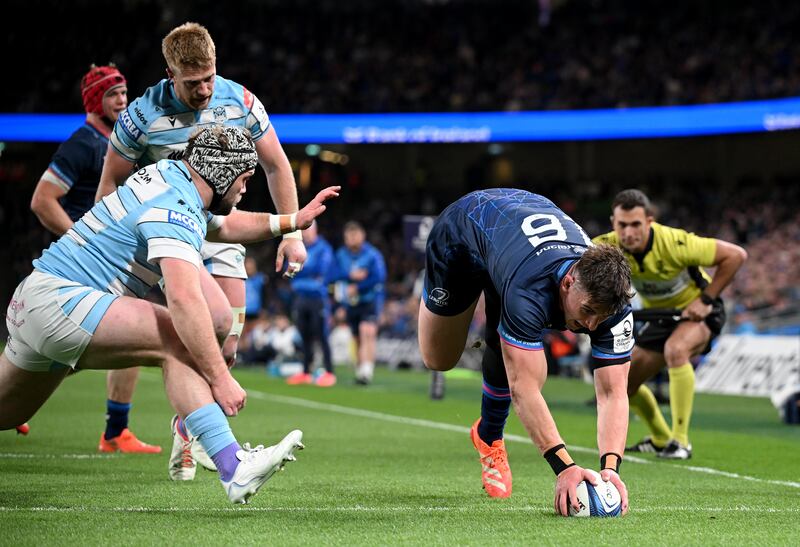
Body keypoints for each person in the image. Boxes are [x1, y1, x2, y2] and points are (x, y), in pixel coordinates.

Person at [1, 126, 339, 503]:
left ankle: (213, 444)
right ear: (223, 173)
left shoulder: (172, 175)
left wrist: (291, 220)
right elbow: (182, 301)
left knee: (6, 412)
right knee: (179, 338)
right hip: (63, 301)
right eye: (243, 179)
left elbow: (225, 225)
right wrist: (218, 377)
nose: (244, 189)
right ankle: (233, 465)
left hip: (37, 300)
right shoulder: (174, 208)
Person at [94, 22, 306, 478]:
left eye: (210, 77)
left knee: (227, 343)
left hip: (222, 225)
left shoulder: (241, 101)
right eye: (193, 83)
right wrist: (106, 243)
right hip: (170, 232)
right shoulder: (140, 116)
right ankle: (204, 438)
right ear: (170, 73)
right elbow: (110, 182)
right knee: (193, 328)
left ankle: (186, 426)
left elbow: (276, 164)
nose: (205, 89)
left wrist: (292, 234)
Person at [418, 188, 634, 517]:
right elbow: (524, 389)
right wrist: (565, 467)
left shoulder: (616, 305)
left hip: (515, 247)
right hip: (462, 235)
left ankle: (488, 438)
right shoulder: (530, 289)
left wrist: (611, 469)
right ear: (568, 283)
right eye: (588, 310)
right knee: (439, 359)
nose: (591, 326)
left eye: (600, 317)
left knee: (509, 342)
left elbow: (613, 392)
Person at [29, 64, 160, 454]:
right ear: (93, 101)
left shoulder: (120, 142)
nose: (123, 100)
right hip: (87, 265)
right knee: (69, 348)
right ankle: (15, 394)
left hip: (113, 261)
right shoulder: (83, 143)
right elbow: (42, 200)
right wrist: (82, 240)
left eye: (124, 93)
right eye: (112, 95)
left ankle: (115, 432)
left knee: (129, 339)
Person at [594, 189, 746, 460]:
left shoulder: (676, 243)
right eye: (622, 225)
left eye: (635, 225)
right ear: (613, 223)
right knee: (624, 382)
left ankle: (681, 442)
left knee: (676, 350)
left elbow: (736, 255)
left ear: (649, 221)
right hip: (660, 318)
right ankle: (661, 439)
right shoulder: (606, 246)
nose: (628, 232)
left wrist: (706, 300)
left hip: (698, 312)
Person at [333, 221, 386, 385]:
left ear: (362, 236)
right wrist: (352, 277)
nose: (352, 239)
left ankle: (367, 370)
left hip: (370, 299)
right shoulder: (341, 254)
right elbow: (335, 275)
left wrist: (359, 286)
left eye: (355, 235)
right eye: (349, 236)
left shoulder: (372, 254)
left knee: (367, 331)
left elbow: (379, 277)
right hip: (350, 302)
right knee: (356, 337)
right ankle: (360, 367)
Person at [286, 221, 336, 386]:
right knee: (304, 335)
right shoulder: (298, 247)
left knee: (322, 334)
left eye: (308, 230)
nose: (306, 234)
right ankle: (306, 372)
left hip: (318, 297)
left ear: (315, 230)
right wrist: (305, 270)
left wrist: (302, 268)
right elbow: (291, 270)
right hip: (301, 297)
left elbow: (322, 272)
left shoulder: (324, 248)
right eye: (303, 231)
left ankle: (329, 372)